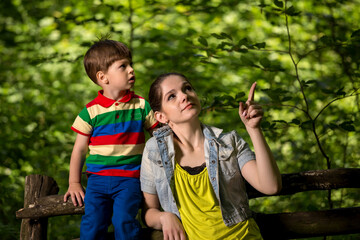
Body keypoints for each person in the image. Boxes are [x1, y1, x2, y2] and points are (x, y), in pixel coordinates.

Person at [140, 72, 282, 239]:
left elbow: (270, 186)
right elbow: (149, 212)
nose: (184, 96)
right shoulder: (154, 150)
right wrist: (164, 217)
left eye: (187, 88)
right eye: (172, 96)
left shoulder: (229, 142)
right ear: (161, 116)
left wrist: (254, 129)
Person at [63, 39, 158, 240]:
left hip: (130, 179)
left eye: (130, 64)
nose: (131, 70)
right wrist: (74, 183)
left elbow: (160, 137)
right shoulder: (90, 111)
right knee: (93, 224)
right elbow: (79, 150)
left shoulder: (141, 106)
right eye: (123, 66)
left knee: (124, 221)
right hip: (97, 181)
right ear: (103, 77)